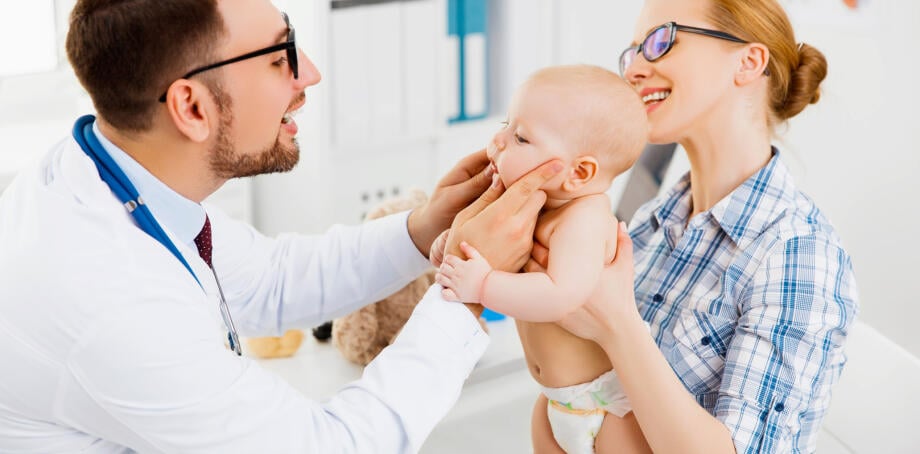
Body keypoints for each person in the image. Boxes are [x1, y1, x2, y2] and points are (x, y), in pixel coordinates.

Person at [0, 0, 567, 452]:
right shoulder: (106, 297)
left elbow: (270, 279)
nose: (310, 74)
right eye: (280, 58)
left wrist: (424, 229)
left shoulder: (111, 175)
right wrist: (468, 286)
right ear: (192, 108)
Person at [526, 0, 860, 453]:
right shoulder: (653, 221)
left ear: (748, 61)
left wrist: (618, 325)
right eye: (632, 52)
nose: (634, 70)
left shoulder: (798, 252)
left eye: (661, 40)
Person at [434, 65, 650, 454]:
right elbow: (491, 248)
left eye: (520, 137)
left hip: (602, 408)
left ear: (579, 173)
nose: (498, 140)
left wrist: (482, 284)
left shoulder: (584, 219)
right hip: (554, 399)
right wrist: (452, 244)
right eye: (506, 124)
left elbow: (561, 295)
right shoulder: (535, 204)